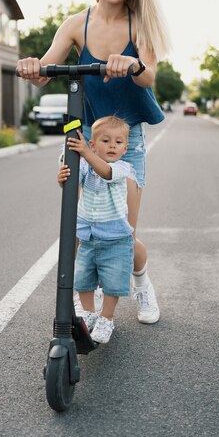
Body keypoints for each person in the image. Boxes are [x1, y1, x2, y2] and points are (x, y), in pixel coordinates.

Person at [17, 0, 171, 324]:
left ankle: (140, 279)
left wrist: (132, 64)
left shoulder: (140, 24)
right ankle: (81, 307)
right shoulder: (75, 24)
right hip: (84, 137)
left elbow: (149, 74)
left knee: (121, 233)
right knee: (79, 226)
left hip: (126, 140)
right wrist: (33, 67)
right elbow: (44, 73)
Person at [58, 116, 135, 344]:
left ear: (125, 148)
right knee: (83, 278)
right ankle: (89, 313)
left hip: (116, 239)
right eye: (105, 140)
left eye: (119, 142)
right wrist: (62, 178)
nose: (113, 145)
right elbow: (73, 179)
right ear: (93, 144)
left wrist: (87, 154)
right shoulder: (86, 166)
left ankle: (106, 318)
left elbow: (105, 172)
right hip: (88, 237)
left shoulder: (122, 167)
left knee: (113, 282)